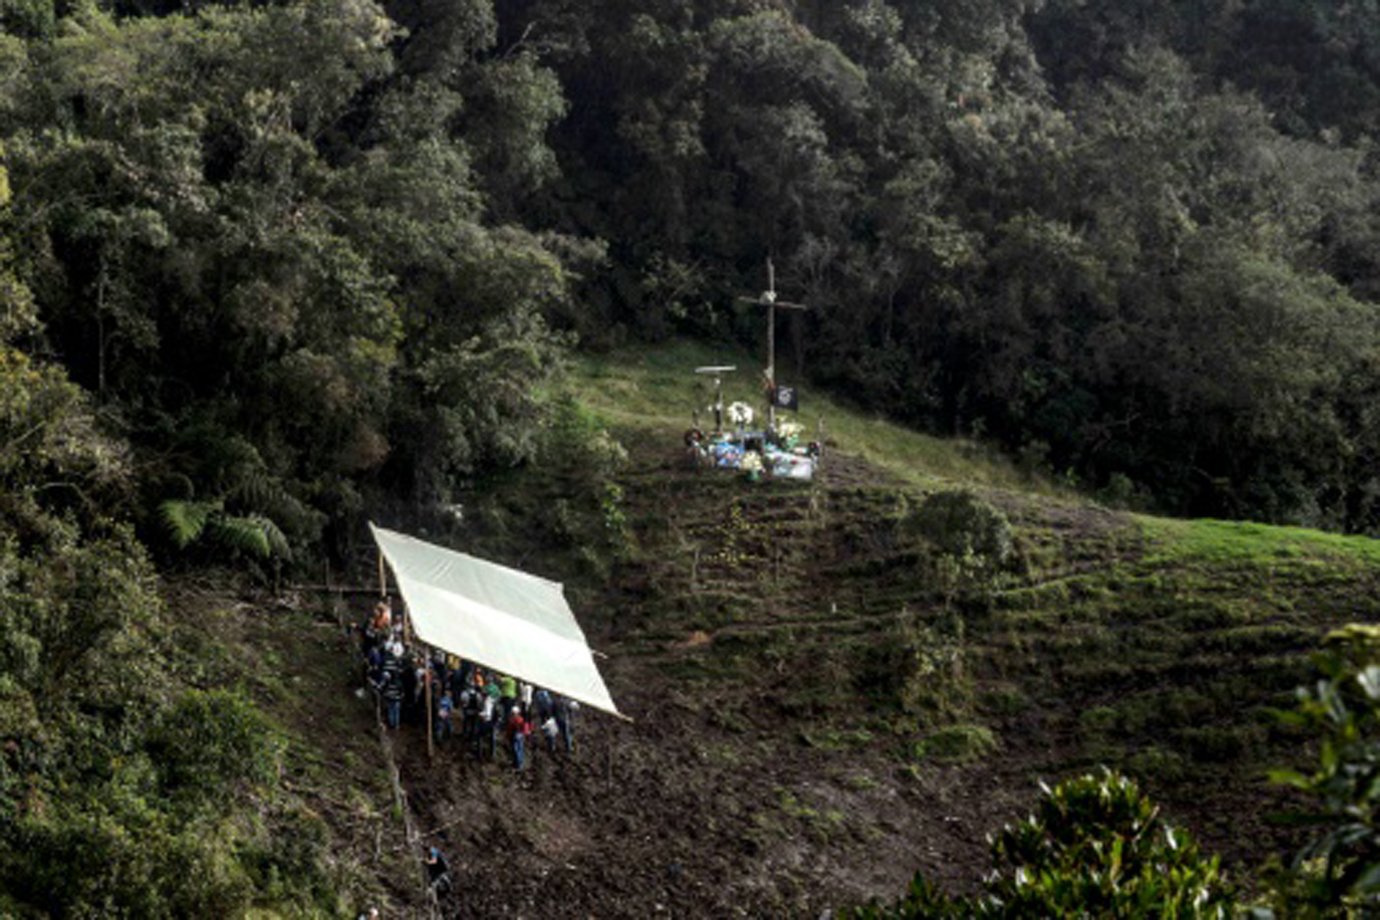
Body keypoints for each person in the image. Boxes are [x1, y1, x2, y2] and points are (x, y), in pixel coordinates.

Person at [506, 705, 528, 771]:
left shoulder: (514, 719)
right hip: (520, 735)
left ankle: (518, 764)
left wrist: (508, 735)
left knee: (516, 750)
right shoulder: (520, 719)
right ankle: (519, 763)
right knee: (519, 749)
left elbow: (509, 728)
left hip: (516, 735)